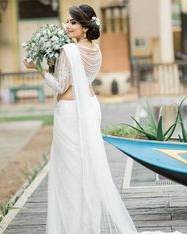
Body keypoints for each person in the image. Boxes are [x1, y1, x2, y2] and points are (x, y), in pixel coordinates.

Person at [24, 4, 182, 234]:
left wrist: (37, 67)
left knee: (71, 172)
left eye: (73, 22)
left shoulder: (69, 51)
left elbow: (59, 85)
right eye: (67, 21)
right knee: (88, 166)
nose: (68, 26)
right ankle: (87, 226)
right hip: (90, 106)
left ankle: (74, 227)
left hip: (71, 111)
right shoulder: (96, 50)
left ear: (86, 26)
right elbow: (84, 78)